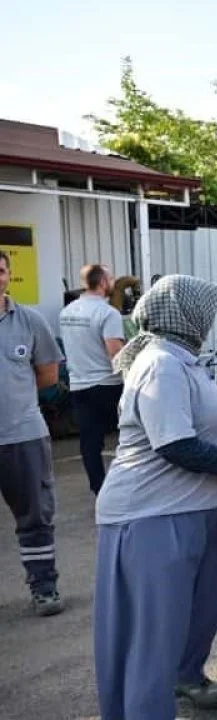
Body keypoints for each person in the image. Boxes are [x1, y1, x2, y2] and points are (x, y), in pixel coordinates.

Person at [93, 275, 217, 719]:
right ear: (185, 314)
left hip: (197, 510)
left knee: (192, 619)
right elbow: (175, 444)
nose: (210, 320)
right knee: (153, 636)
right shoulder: (160, 363)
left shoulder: (184, 360)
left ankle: (186, 676)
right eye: (205, 310)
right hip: (154, 516)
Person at [0, 250, 65, 616]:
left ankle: (44, 587)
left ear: (9, 275)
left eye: (0, 270)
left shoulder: (30, 321)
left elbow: (48, 375)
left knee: (35, 516)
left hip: (22, 436)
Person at [59, 263, 126, 495]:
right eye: (112, 279)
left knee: (90, 442)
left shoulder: (66, 313)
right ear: (103, 283)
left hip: (79, 385)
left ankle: (99, 490)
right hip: (108, 385)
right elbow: (115, 353)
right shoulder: (108, 313)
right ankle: (125, 489)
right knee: (128, 438)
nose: (114, 283)